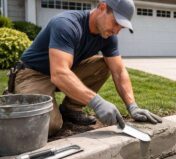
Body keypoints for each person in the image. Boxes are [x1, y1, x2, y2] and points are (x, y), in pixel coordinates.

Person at [11, 0, 162, 136]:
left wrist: (132, 106)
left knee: (104, 65)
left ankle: (70, 110)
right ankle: (16, 102)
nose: (116, 31)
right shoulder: (66, 24)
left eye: (121, 27)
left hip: (65, 71)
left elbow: (119, 71)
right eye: (115, 22)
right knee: (48, 126)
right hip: (33, 74)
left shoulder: (108, 36)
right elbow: (59, 74)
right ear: (102, 7)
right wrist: (96, 102)